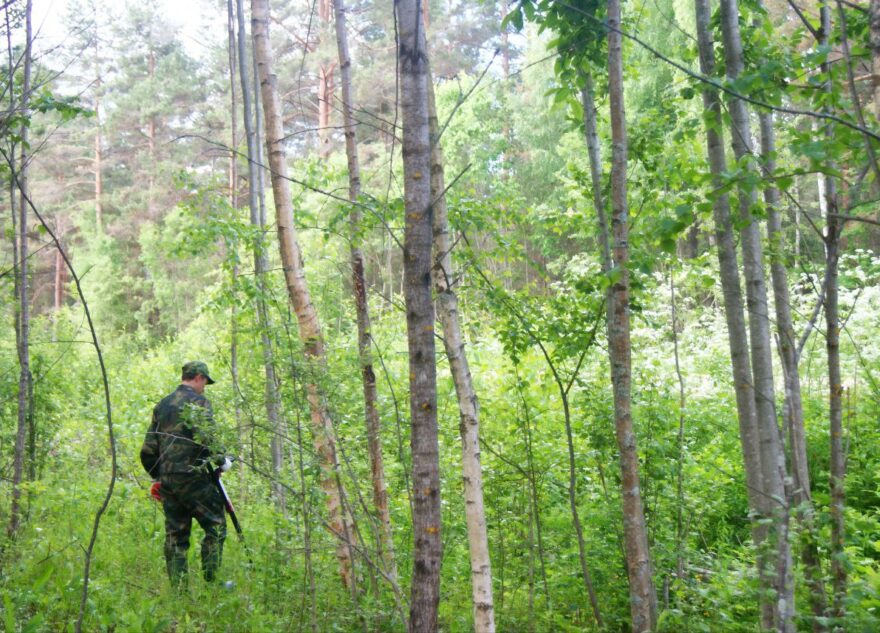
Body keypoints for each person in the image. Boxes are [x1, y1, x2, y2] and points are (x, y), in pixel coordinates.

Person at [140, 361, 230, 587]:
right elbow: (207, 436)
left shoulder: (162, 405)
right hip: (194, 477)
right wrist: (222, 461)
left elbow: (148, 450)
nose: (204, 388)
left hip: (168, 480)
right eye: (205, 382)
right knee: (216, 526)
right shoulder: (198, 402)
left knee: (176, 535)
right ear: (198, 377)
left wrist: (159, 477)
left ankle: (179, 592)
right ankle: (212, 585)